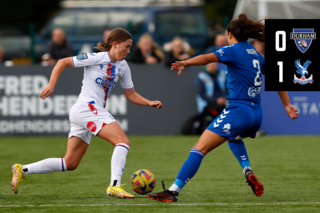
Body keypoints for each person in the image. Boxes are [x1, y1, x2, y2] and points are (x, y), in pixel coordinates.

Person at [147, 14, 298, 202]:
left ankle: (173, 191)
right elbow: (277, 79)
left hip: (238, 110)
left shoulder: (233, 50)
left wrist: (185, 62)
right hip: (256, 114)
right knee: (232, 137)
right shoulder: (254, 52)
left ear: (231, 34)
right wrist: (287, 105)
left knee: (198, 149)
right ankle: (247, 169)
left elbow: (206, 58)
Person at [11, 28, 163, 198]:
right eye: (126, 47)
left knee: (70, 163)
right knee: (122, 141)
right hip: (87, 108)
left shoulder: (123, 66)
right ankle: (115, 185)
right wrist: (51, 84)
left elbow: (131, 94)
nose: (128, 51)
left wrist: (149, 102)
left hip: (86, 111)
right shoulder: (96, 57)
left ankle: (22, 169)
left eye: (130, 47)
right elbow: (62, 62)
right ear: (114, 44)